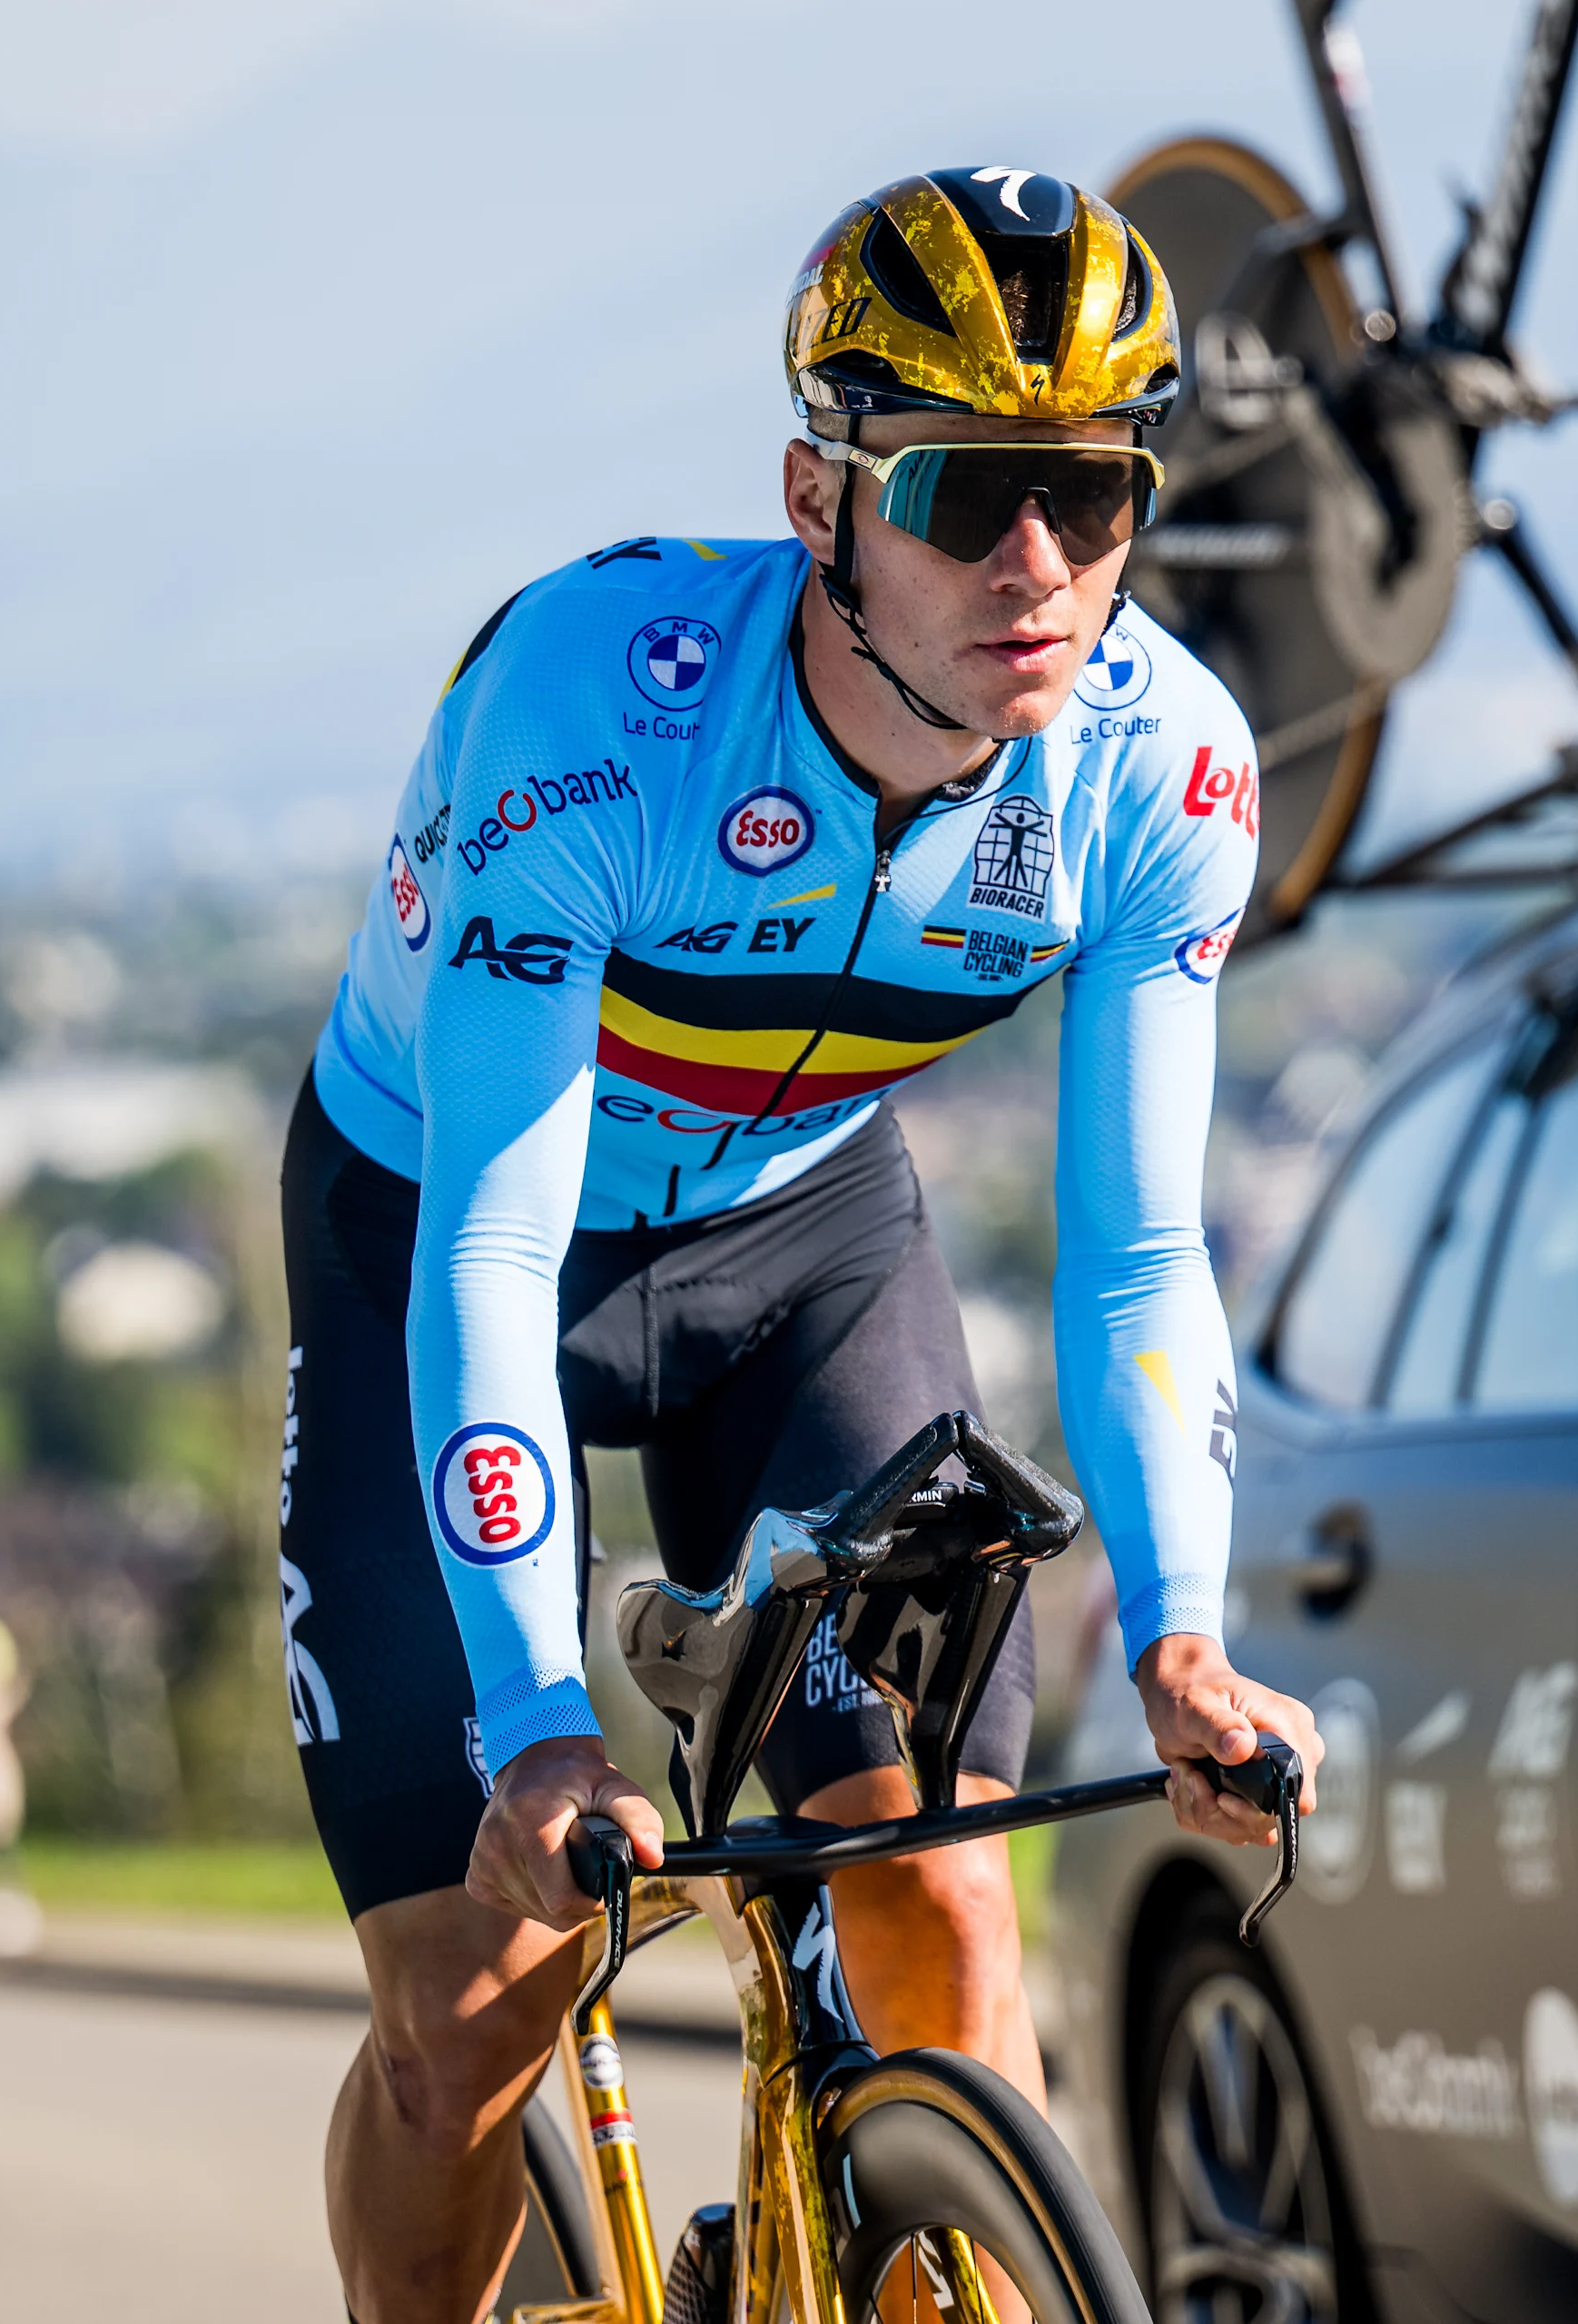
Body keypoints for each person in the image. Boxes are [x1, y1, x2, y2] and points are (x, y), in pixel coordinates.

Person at [278, 165, 1322, 2324]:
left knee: (943, 1896)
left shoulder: (1163, 767)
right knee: (482, 1992)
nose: (1039, 567)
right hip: (461, 1242)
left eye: (1095, 496)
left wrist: (1189, 1640)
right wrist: (535, 1714)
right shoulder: (598, 705)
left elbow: (1137, 1257)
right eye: (962, 490)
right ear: (821, 495)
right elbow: (490, 1241)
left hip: (805, 1246)